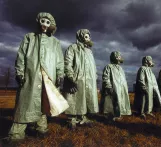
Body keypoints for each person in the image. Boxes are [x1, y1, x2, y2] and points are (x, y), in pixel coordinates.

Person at [8, 12, 64, 140]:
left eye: (47, 22)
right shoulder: (30, 37)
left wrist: (60, 74)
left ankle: (41, 127)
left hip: (48, 77)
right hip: (31, 75)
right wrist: (20, 72)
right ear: (38, 22)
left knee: (44, 102)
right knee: (25, 101)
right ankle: (17, 133)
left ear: (51, 25)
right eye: (42, 21)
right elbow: (21, 56)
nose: (44, 24)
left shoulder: (55, 42)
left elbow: (59, 60)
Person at [63, 29, 98, 129]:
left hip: (88, 80)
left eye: (89, 36)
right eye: (86, 36)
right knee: (73, 98)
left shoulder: (89, 51)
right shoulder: (73, 48)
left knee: (84, 98)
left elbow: (93, 66)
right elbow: (67, 63)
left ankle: (82, 117)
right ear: (80, 37)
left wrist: (94, 76)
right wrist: (71, 77)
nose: (88, 39)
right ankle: (71, 119)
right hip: (76, 78)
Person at [100, 51, 131, 121]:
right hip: (113, 87)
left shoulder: (120, 68)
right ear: (115, 57)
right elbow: (105, 77)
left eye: (120, 56)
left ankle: (118, 115)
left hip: (121, 88)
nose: (120, 58)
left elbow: (123, 78)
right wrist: (108, 86)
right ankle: (110, 117)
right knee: (111, 102)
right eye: (119, 56)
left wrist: (125, 86)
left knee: (119, 101)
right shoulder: (108, 67)